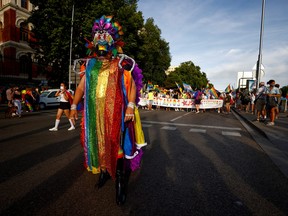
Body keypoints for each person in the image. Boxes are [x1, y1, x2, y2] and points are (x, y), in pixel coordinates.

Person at [69, 16, 146, 205]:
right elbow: (80, 88)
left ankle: (120, 181)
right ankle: (103, 172)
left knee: (116, 144)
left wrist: (130, 106)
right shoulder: (90, 65)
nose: (101, 39)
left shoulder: (121, 62)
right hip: (94, 113)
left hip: (116, 114)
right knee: (98, 143)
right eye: (98, 36)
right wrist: (73, 106)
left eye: (105, 36)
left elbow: (132, 84)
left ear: (112, 40)